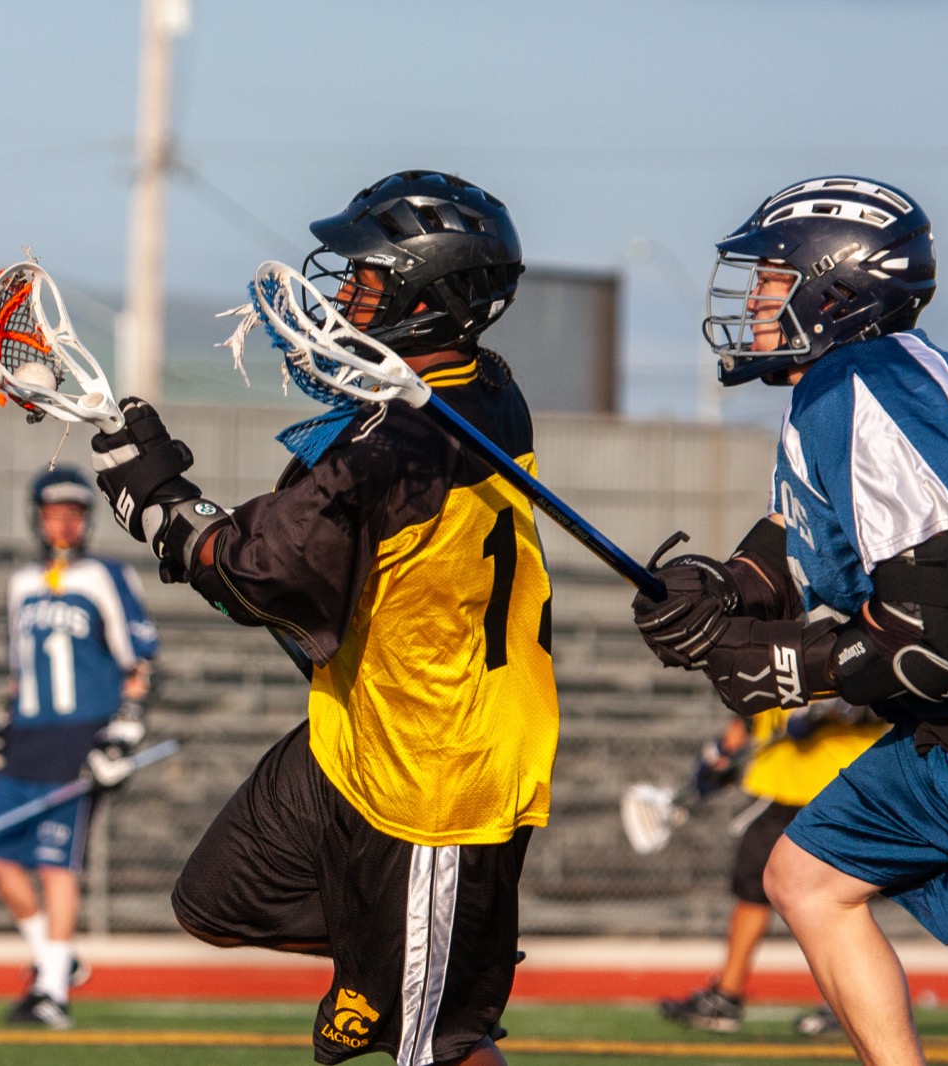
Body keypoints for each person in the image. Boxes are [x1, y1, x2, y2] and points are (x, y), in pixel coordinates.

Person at [90, 170, 558, 1065]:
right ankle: (414, 954)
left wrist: (157, 501)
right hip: (360, 733)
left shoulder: (399, 442)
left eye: (368, 280)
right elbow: (317, 540)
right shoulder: (482, 388)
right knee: (218, 900)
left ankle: (435, 965)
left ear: (429, 295)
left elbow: (255, 576)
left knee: (441, 1048)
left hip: (437, 769)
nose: (345, 298)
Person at [632, 175, 948, 1064]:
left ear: (833, 291)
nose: (753, 301)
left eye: (770, 279)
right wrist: (719, 591)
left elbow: (929, 644)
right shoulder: (843, 389)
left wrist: (787, 667)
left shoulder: (868, 383)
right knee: (804, 877)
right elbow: (796, 552)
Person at [0, 465, 158, 1029]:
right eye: (54, 513)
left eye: (74, 514)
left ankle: (52, 993)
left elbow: (138, 662)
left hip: (81, 737)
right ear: (37, 518)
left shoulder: (106, 576)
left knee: (57, 863)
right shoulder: (21, 584)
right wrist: (0, 728)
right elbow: (20, 672)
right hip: (28, 737)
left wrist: (123, 733)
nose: (64, 524)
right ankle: (57, 958)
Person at [656, 699, 885, 1036]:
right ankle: (726, 997)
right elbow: (751, 709)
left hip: (839, 782)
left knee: (838, 898)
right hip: (777, 784)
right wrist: (720, 753)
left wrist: (835, 710)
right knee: (751, 889)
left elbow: (885, 691)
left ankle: (847, 1004)